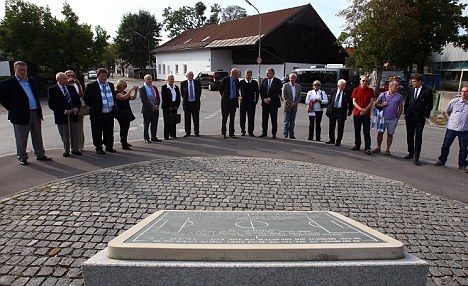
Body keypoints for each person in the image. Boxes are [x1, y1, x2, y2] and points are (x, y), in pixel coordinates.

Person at [0, 61, 52, 165]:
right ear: (15, 70)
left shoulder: (32, 81)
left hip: (35, 112)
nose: (23, 72)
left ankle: (40, 154)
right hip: (19, 115)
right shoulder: (7, 83)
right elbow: (3, 99)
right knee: (21, 138)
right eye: (20, 70)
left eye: (24, 70)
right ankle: (22, 157)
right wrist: (13, 109)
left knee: (37, 136)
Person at [83, 68, 117, 154]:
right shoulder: (91, 86)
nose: (104, 77)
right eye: (102, 76)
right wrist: (95, 106)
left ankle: (109, 146)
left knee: (109, 131)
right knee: (97, 131)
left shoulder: (111, 85)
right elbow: (86, 99)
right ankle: (98, 147)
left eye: (105, 76)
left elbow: (113, 97)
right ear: (98, 76)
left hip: (109, 112)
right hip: (97, 113)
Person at [434, 86, 468, 172]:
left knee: (463, 148)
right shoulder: (454, 101)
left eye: (466, 91)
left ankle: (462, 165)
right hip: (452, 127)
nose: (463, 93)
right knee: (446, 145)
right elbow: (448, 111)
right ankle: (442, 160)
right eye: (462, 91)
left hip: (464, 129)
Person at [48, 72, 81, 157]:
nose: (66, 80)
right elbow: (52, 105)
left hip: (73, 115)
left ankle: (75, 149)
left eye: (66, 78)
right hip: (61, 116)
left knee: (74, 133)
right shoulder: (52, 90)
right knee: (65, 134)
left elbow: (78, 101)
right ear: (58, 79)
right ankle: (66, 150)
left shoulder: (71, 88)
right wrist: (64, 111)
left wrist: (76, 108)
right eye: (64, 78)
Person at [404, 73, 434, 165]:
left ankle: (417, 156)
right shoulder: (411, 90)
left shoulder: (427, 90)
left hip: (420, 117)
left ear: (420, 81)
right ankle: (411, 152)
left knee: (418, 136)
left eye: (414, 81)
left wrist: (425, 115)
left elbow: (430, 104)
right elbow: (407, 102)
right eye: (412, 81)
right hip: (410, 116)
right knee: (409, 135)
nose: (412, 83)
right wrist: (406, 113)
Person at [372, 80, 404, 156]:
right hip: (383, 118)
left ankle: (387, 149)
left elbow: (401, 107)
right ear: (390, 86)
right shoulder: (383, 95)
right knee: (380, 133)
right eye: (395, 85)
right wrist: (382, 105)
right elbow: (376, 104)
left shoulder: (399, 96)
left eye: (397, 85)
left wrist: (397, 117)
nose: (397, 87)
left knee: (390, 134)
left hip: (393, 119)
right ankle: (378, 147)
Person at [351, 75, 375, 154]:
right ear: (360, 81)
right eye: (363, 81)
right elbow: (354, 102)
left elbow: (371, 101)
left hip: (366, 113)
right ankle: (357, 145)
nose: (365, 82)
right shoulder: (356, 90)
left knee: (366, 131)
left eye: (367, 81)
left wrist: (365, 110)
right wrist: (361, 109)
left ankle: (367, 147)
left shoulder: (371, 90)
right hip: (357, 113)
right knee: (357, 130)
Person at [325, 79, 353, 146]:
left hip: (341, 111)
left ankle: (338, 141)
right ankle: (331, 139)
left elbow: (350, 102)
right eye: (342, 85)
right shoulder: (333, 91)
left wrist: (350, 111)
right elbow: (330, 100)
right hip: (333, 110)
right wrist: (328, 108)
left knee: (340, 127)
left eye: (344, 86)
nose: (343, 87)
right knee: (331, 125)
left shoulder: (347, 92)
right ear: (338, 85)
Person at [65, 70, 86, 153]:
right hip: (67, 109)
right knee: (68, 129)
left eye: (72, 75)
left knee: (79, 128)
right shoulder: (64, 84)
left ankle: (80, 146)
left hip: (78, 108)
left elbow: (81, 95)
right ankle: (70, 146)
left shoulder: (76, 84)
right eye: (68, 75)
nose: (71, 77)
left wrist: (78, 85)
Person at [259, 67, 282, 139]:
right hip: (265, 103)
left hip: (273, 103)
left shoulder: (278, 81)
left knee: (273, 119)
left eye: (267, 73)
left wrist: (269, 98)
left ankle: (274, 134)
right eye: (266, 73)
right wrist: (263, 98)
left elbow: (277, 92)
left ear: (272, 73)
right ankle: (264, 132)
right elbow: (261, 90)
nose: (266, 75)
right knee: (264, 119)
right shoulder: (264, 80)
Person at [115, 79, 137, 150]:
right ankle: (124, 144)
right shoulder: (116, 93)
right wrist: (131, 90)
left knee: (126, 127)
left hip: (127, 112)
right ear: (119, 86)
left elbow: (133, 97)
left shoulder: (124, 92)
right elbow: (123, 97)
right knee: (123, 128)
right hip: (120, 113)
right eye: (123, 86)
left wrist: (135, 91)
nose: (124, 88)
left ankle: (124, 141)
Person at [140, 74, 161, 144]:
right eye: (148, 79)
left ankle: (154, 137)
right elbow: (144, 100)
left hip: (155, 109)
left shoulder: (154, 87)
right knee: (146, 124)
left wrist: (157, 105)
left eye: (150, 79)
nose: (149, 80)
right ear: (145, 80)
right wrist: (152, 106)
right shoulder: (142, 88)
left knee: (154, 124)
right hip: (147, 109)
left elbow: (158, 98)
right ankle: (146, 138)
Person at [219, 68, 240, 139]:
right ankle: (223, 133)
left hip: (233, 102)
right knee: (224, 118)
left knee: (232, 118)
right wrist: (225, 97)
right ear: (234, 73)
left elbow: (236, 90)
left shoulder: (237, 80)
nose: (238, 75)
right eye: (237, 73)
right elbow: (221, 89)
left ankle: (232, 133)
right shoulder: (225, 79)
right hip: (226, 102)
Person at [180, 71, 202, 137]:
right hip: (187, 104)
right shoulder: (183, 83)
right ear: (186, 76)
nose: (190, 77)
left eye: (191, 75)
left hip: (195, 103)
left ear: (193, 76)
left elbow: (199, 92)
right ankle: (187, 132)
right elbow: (182, 94)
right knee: (187, 119)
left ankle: (196, 132)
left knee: (196, 119)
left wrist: (196, 99)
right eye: (189, 75)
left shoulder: (197, 82)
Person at [239, 69, 259, 137]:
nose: (248, 76)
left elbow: (257, 93)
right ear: (245, 75)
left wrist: (255, 102)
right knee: (242, 118)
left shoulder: (254, 83)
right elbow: (236, 90)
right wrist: (239, 96)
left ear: (251, 75)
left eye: (249, 75)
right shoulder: (241, 82)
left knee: (251, 118)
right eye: (246, 75)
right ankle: (243, 131)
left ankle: (251, 131)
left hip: (251, 103)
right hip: (243, 103)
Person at [161, 74, 181, 140]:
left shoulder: (176, 87)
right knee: (167, 121)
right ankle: (166, 135)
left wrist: (177, 105)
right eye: (170, 79)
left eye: (173, 79)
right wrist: (169, 106)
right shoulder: (164, 87)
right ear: (167, 80)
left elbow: (178, 97)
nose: (172, 80)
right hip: (167, 107)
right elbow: (164, 98)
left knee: (174, 120)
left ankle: (173, 134)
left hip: (174, 106)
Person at [282, 73, 301, 139]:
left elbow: (299, 96)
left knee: (292, 122)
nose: (292, 79)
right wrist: (291, 103)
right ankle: (285, 134)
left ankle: (292, 134)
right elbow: (284, 96)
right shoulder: (285, 85)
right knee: (286, 121)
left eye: (293, 78)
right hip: (287, 106)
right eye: (291, 78)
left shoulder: (298, 86)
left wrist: (295, 103)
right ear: (289, 78)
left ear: (295, 79)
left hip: (295, 106)